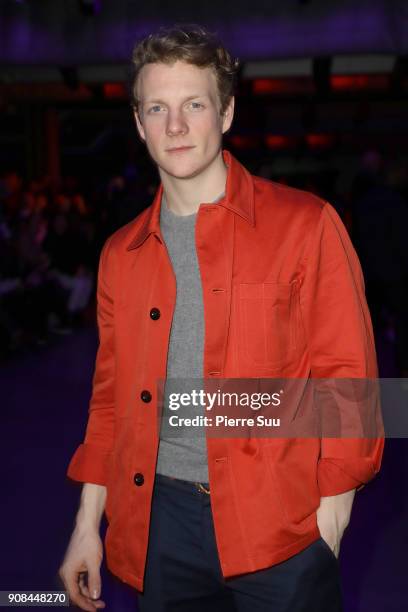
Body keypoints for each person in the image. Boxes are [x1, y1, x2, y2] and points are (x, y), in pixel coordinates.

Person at [59, 25, 384, 612]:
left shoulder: (306, 226)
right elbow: (111, 402)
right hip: (162, 525)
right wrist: (88, 525)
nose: (175, 125)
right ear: (139, 123)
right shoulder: (118, 255)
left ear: (227, 112)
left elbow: (349, 380)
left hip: (281, 525)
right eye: (157, 107)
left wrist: (333, 513)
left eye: (194, 105)